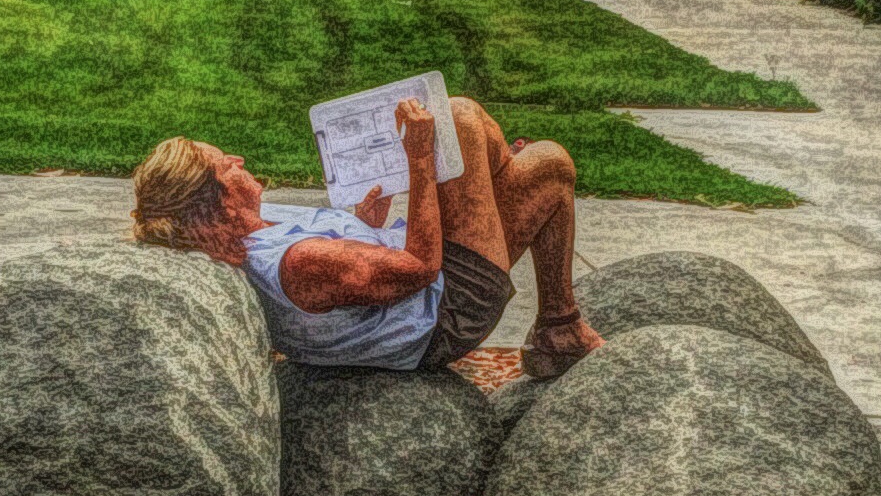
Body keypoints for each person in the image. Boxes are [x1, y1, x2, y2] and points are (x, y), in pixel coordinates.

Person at [130, 96, 604, 379]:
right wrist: (419, 160)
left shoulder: (248, 225)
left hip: (420, 284)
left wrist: (362, 225)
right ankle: (556, 319)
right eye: (226, 166)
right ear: (216, 202)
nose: (238, 159)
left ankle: (558, 323)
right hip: (448, 310)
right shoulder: (298, 263)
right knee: (469, 126)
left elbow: (346, 276)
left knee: (533, 160)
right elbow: (420, 269)